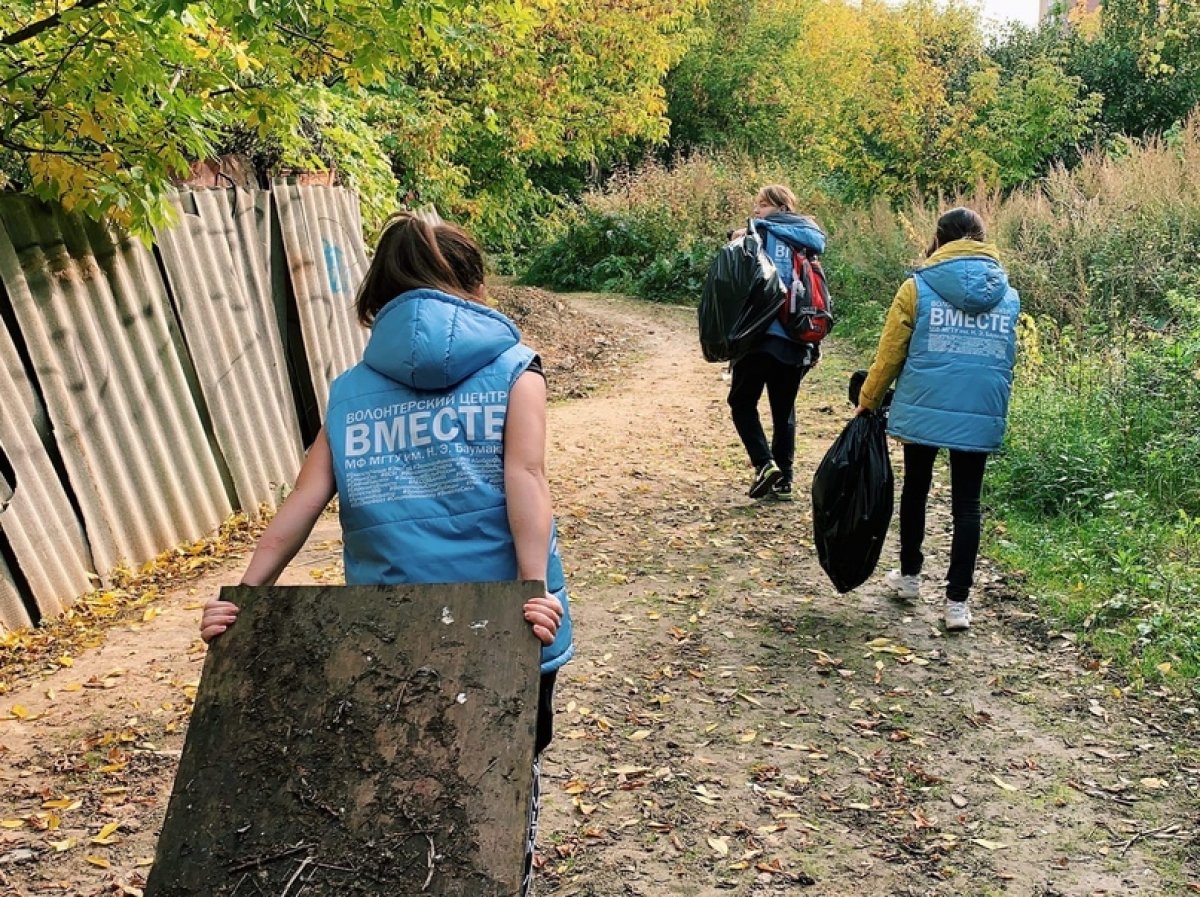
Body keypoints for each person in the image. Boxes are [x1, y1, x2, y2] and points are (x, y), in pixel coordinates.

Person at [200, 213, 574, 895]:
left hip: (389, 627)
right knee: (506, 767)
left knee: (403, 767)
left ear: (380, 290)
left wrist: (242, 592)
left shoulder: (349, 393)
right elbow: (527, 480)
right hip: (505, 622)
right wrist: (533, 589)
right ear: (470, 281)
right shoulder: (516, 372)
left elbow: (302, 501)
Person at [854, 207, 1019, 632]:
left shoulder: (917, 287)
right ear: (982, 239)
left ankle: (909, 578)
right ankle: (957, 604)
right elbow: (1005, 359)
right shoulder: (1008, 294)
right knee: (967, 504)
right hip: (980, 408)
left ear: (939, 239)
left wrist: (868, 400)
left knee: (916, 488)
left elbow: (891, 353)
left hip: (923, 401)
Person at [727, 184, 827, 501]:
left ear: (781, 207)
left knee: (741, 403)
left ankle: (765, 464)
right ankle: (785, 480)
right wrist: (814, 344)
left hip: (758, 336)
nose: (757, 210)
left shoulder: (757, 234)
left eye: (763, 204)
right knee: (784, 412)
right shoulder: (809, 241)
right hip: (796, 338)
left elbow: (738, 282)